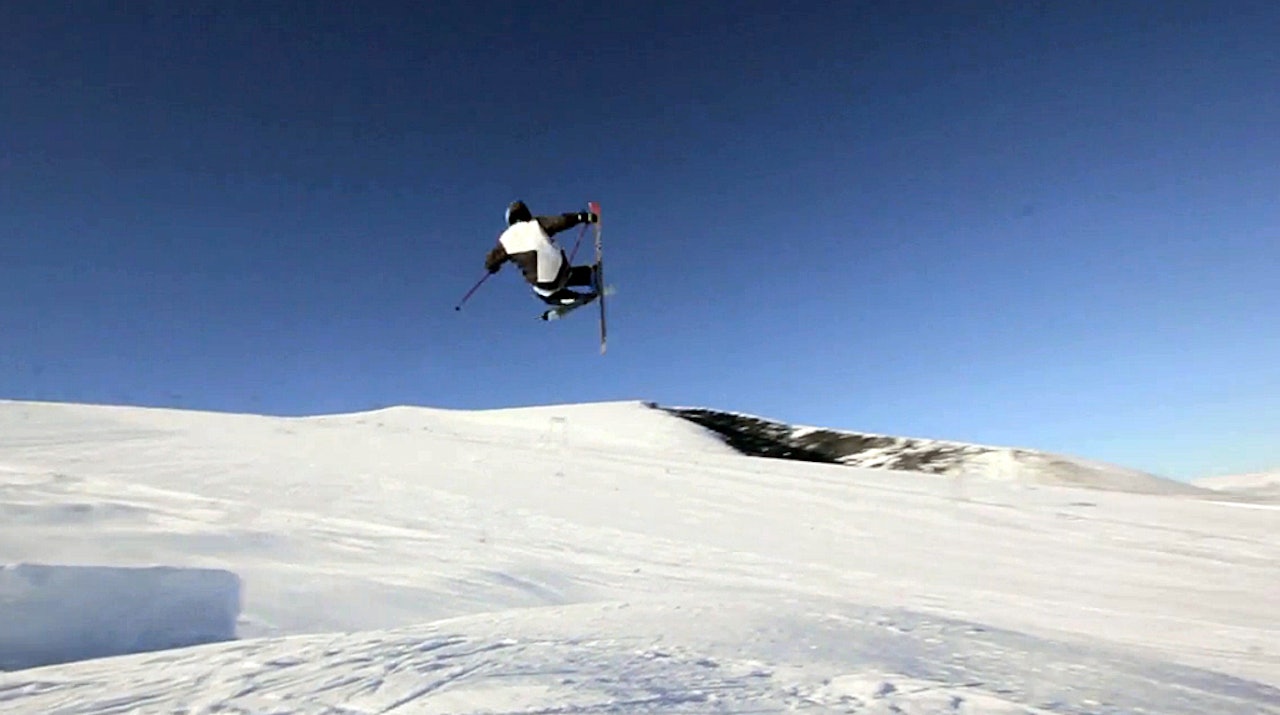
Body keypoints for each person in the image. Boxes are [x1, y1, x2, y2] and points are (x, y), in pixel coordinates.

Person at [485, 200, 600, 306]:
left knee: (543, 291)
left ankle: (571, 298)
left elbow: (491, 261)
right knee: (564, 274)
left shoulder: (505, 238)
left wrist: (492, 267)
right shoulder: (537, 223)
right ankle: (589, 274)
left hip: (544, 282)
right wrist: (582, 217)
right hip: (562, 268)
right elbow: (562, 220)